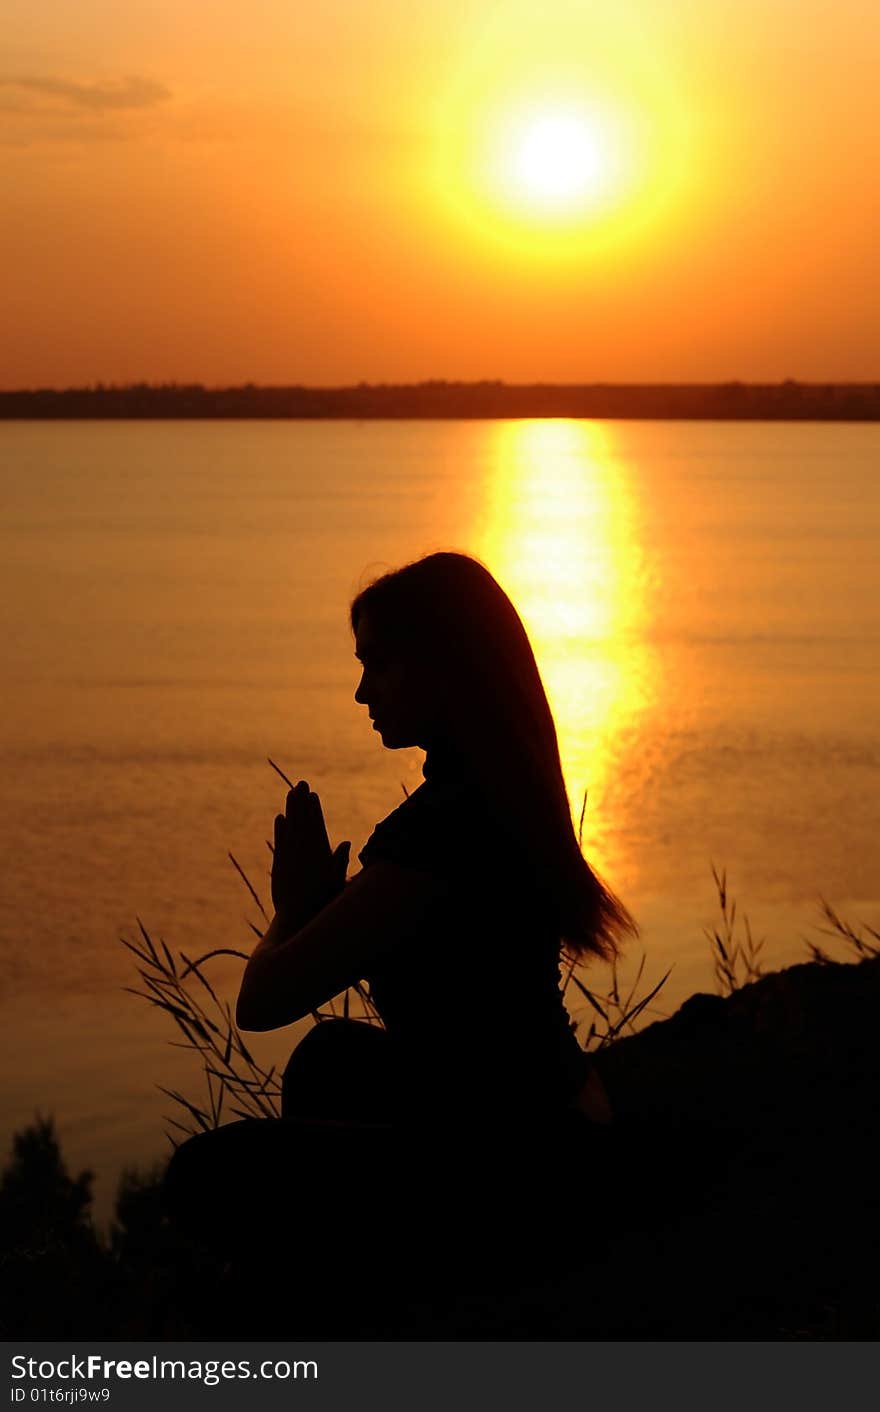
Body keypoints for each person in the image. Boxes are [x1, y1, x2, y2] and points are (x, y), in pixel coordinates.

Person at [164, 551, 636, 1325]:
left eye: (379, 666)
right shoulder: (495, 799)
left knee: (199, 1177)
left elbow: (262, 1001)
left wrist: (295, 908)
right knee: (331, 1059)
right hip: (553, 1127)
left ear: (447, 669)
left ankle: (338, 1302)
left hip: (514, 1171)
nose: (361, 691)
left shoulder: (437, 838)